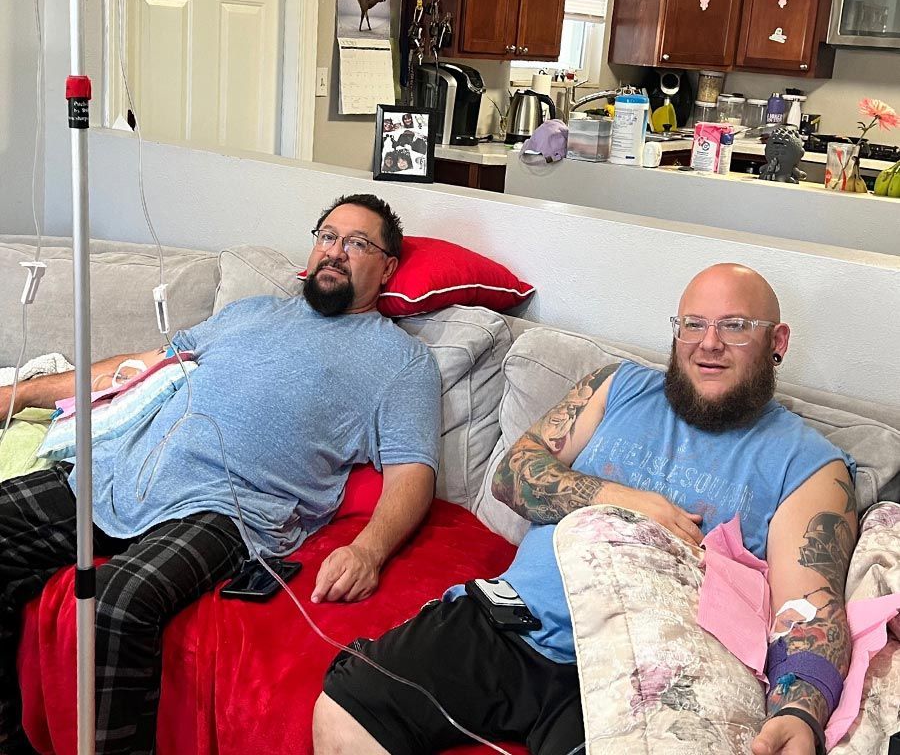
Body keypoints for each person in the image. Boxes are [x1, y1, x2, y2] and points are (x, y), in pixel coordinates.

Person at [314, 264, 856, 755]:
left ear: (777, 341)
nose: (707, 344)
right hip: (510, 619)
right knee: (345, 711)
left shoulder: (808, 464)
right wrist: (616, 499)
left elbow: (809, 611)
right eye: (692, 324)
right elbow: (512, 474)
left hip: (641, 674)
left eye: (735, 326)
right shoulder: (616, 386)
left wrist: (799, 712)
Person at [0, 194, 442, 755]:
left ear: (388, 268)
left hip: (229, 509)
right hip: (126, 468)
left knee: (116, 602)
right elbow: (139, 368)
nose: (335, 252)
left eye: (358, 244)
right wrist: (16, 395)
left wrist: (369, 550)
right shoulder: (250, 312)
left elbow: (413, 473)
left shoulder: (400, 361)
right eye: (327, 236)